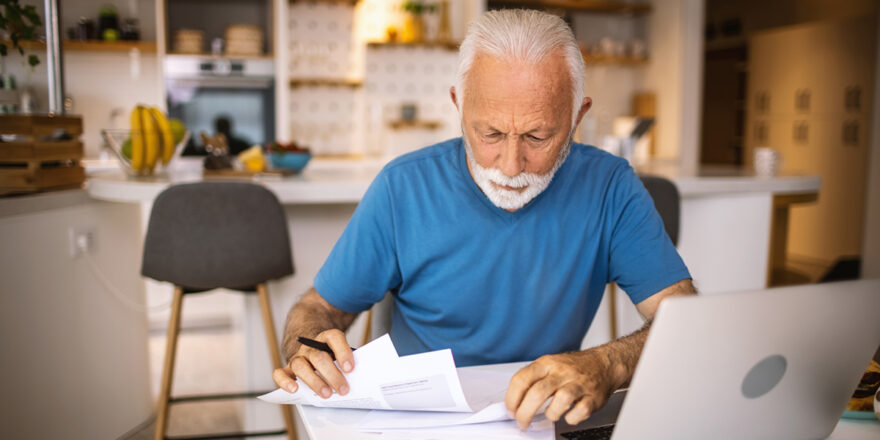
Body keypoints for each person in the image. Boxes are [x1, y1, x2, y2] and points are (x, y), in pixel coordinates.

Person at [272, 9, 696, 429]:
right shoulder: (402, 187)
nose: (511, 166)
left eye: (538, 136)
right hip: (420, 422)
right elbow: (318, 307)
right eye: (489, 134)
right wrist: (304, 346)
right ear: (458, 103)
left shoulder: (610, 185)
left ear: (577, 117)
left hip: (543, 419)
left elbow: (685, 320)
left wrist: (608, 363)